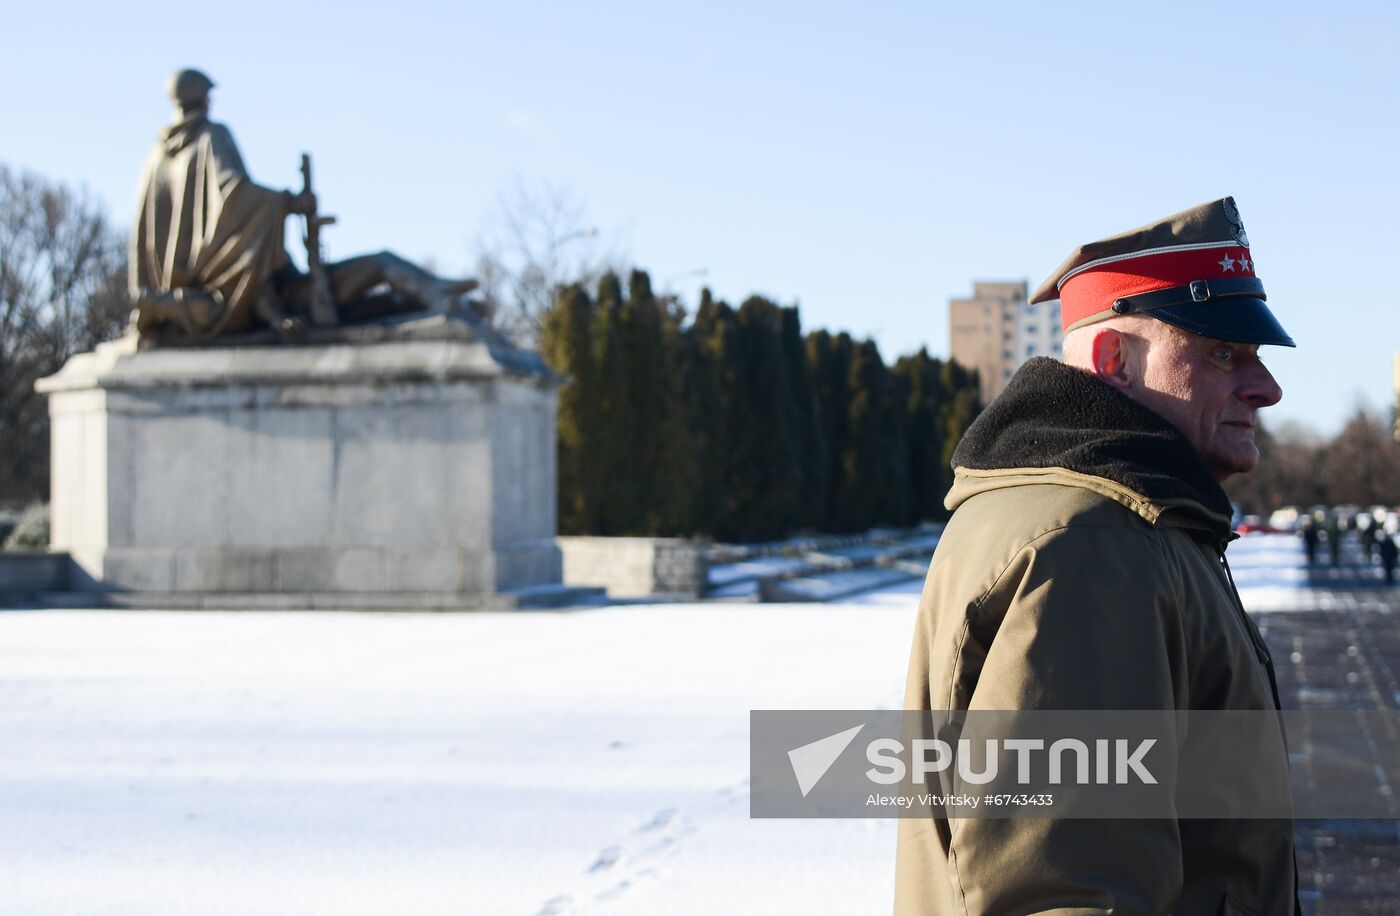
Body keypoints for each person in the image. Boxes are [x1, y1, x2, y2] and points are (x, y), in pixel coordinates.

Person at [895, 198, 1298, 915]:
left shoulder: (1109, 520)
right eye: (1222, 353)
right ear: (1115, 360)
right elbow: (1067, 890)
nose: (1265, 388)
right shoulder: (1093, 547)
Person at [129, 69, 479, 343]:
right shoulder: (211, 137)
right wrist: (290, 203)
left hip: (263, 289)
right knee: (381, 264)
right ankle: (438, 294)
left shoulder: (156, 155)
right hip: (296, 296)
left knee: (382, 296)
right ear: (202, 99)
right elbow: (234, 193)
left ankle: (442, 299)